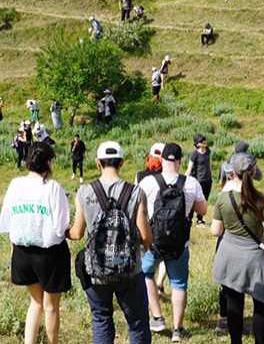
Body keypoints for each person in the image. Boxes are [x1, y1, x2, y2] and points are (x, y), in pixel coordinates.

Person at [68, 141, 153, 344]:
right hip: (130, 270)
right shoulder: (136, 192)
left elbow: (77, 233)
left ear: (98, 163)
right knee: (138, 323)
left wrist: (63, 232)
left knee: (101, 319)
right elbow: (145, 236)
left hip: (96, 272)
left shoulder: (85, 192)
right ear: (121, 163)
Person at [0, 142, 71, 344]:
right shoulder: (53, 188)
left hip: (21, 252)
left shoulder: (15, 184)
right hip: (49, 254)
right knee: (50, 306)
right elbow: (61, 226)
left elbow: (7, 219)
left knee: (35, 302)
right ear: (48, 162)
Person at [210, 152, 264, 344]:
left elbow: (216, 230)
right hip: (253, 258)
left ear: (233, 172)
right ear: (254, 171)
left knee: (234, 302)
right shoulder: (262, 201)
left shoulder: (223, 198)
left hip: (229, 255)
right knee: (262, 302)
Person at [138, 143, 207, 341]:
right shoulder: (191, 183)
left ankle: (157, 318)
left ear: (162, 159)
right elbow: (203, 211)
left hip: (153, 242)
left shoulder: (148, 183)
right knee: (178, 284)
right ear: (179, 161)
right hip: (179, 244)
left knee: (146, 275)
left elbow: (138, 209)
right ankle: (177, 329)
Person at [186, 134, 213, 225]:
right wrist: (185, 180)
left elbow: (209, 164)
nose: (204, 142)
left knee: (204, 200)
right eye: (202, 141)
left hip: (208, 180)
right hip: (198, 181)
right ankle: (189, 218)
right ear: (197, 144)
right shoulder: (194, 154)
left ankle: (200, 219)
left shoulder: (208, 151)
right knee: (195, 200)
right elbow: (189, 169)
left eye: (205, 140)